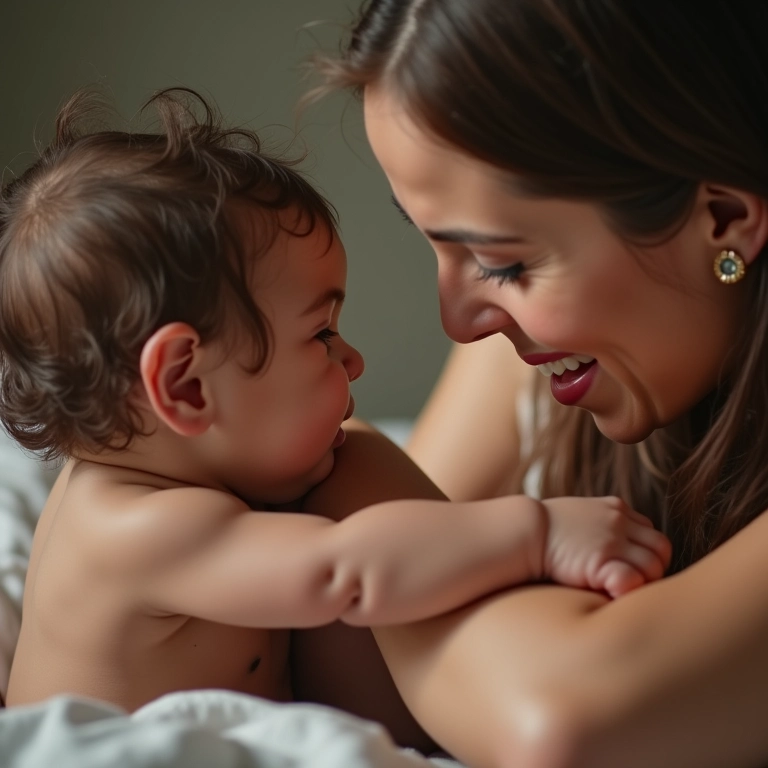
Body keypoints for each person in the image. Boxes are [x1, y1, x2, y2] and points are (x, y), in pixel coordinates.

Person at [0, 87, 668, 732]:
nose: (352, 361)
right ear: (185, 385)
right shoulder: (135, 529)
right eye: (321, 334)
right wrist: (537, 535)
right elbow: (343, 570)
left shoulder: (184, 478)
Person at [307, 1, 768, 766]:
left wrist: (356, 474)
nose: (460, 322)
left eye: (502, 264)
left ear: (721, 216)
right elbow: (347, 658)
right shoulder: (555, 351)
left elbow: (560, 725)